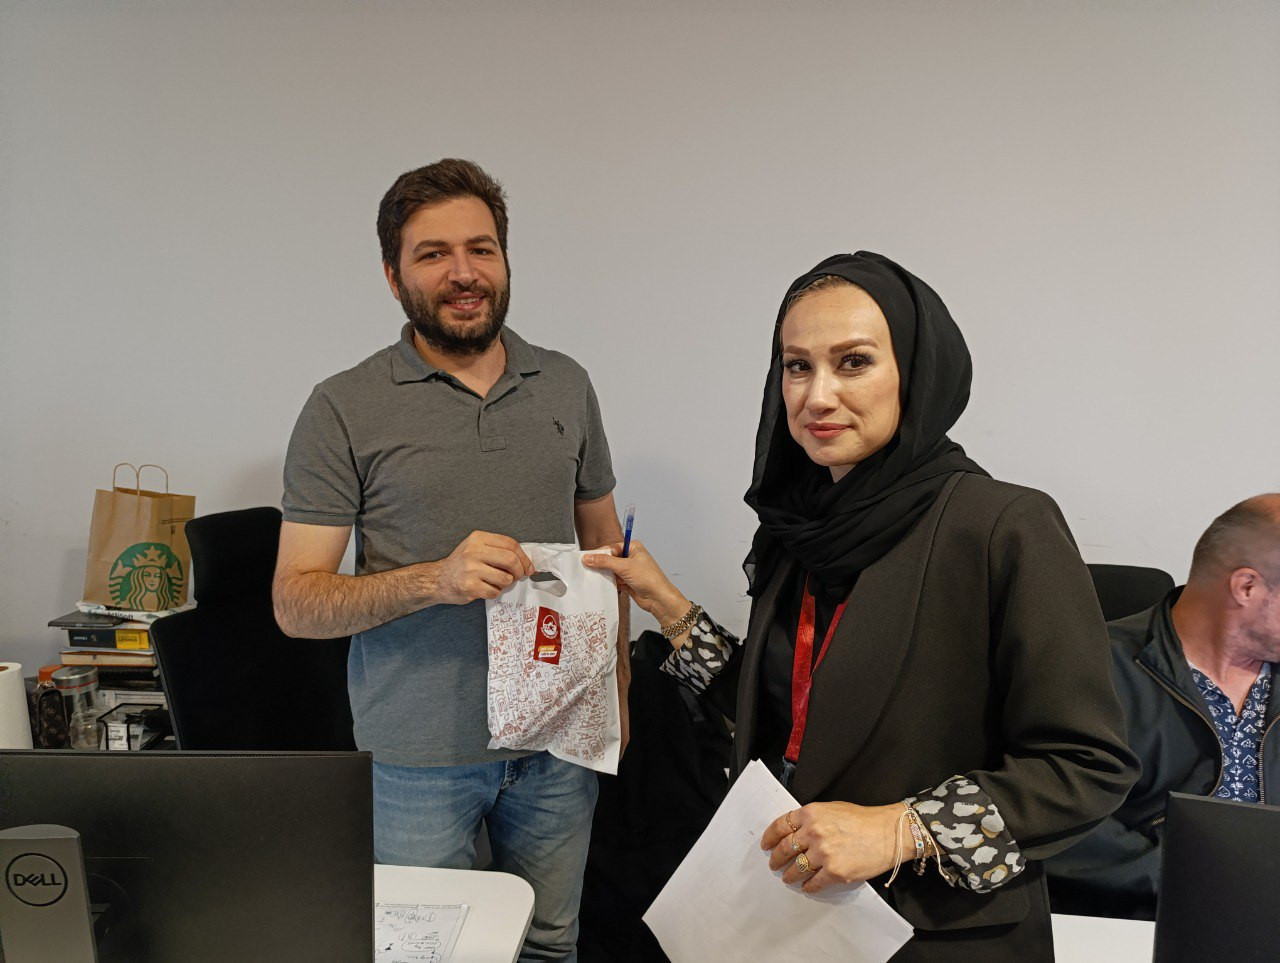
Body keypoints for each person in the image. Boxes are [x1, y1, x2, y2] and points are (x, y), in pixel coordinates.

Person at [584, 252, 1138, 960]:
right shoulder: (798, 530)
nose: (817, 395)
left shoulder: (1001, 527)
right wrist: (664, 602)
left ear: (915, 370)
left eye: (853, 362)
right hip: (796, 915)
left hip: (936, 934)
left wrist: (898, 829)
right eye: (797, 366)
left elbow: (1086, 766)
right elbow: (791, 714)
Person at [272, 158, 627, 962]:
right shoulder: (342, 406)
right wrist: (436, 579)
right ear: (393, 276)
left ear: (505, 259)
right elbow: (296, 603)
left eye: (481, 248)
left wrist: (618, 698)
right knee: (429, 956)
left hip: (558, 746)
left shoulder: (566, 385)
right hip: (416, 759)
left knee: (550, 943)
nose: (463, 273)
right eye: (433, 254)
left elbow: (609, 556)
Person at [1047, 494, 1280, 921]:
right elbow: (1053, 817)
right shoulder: (1086, 669)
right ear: (1247, 587)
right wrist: (1202, 885)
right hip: (1127, 924)